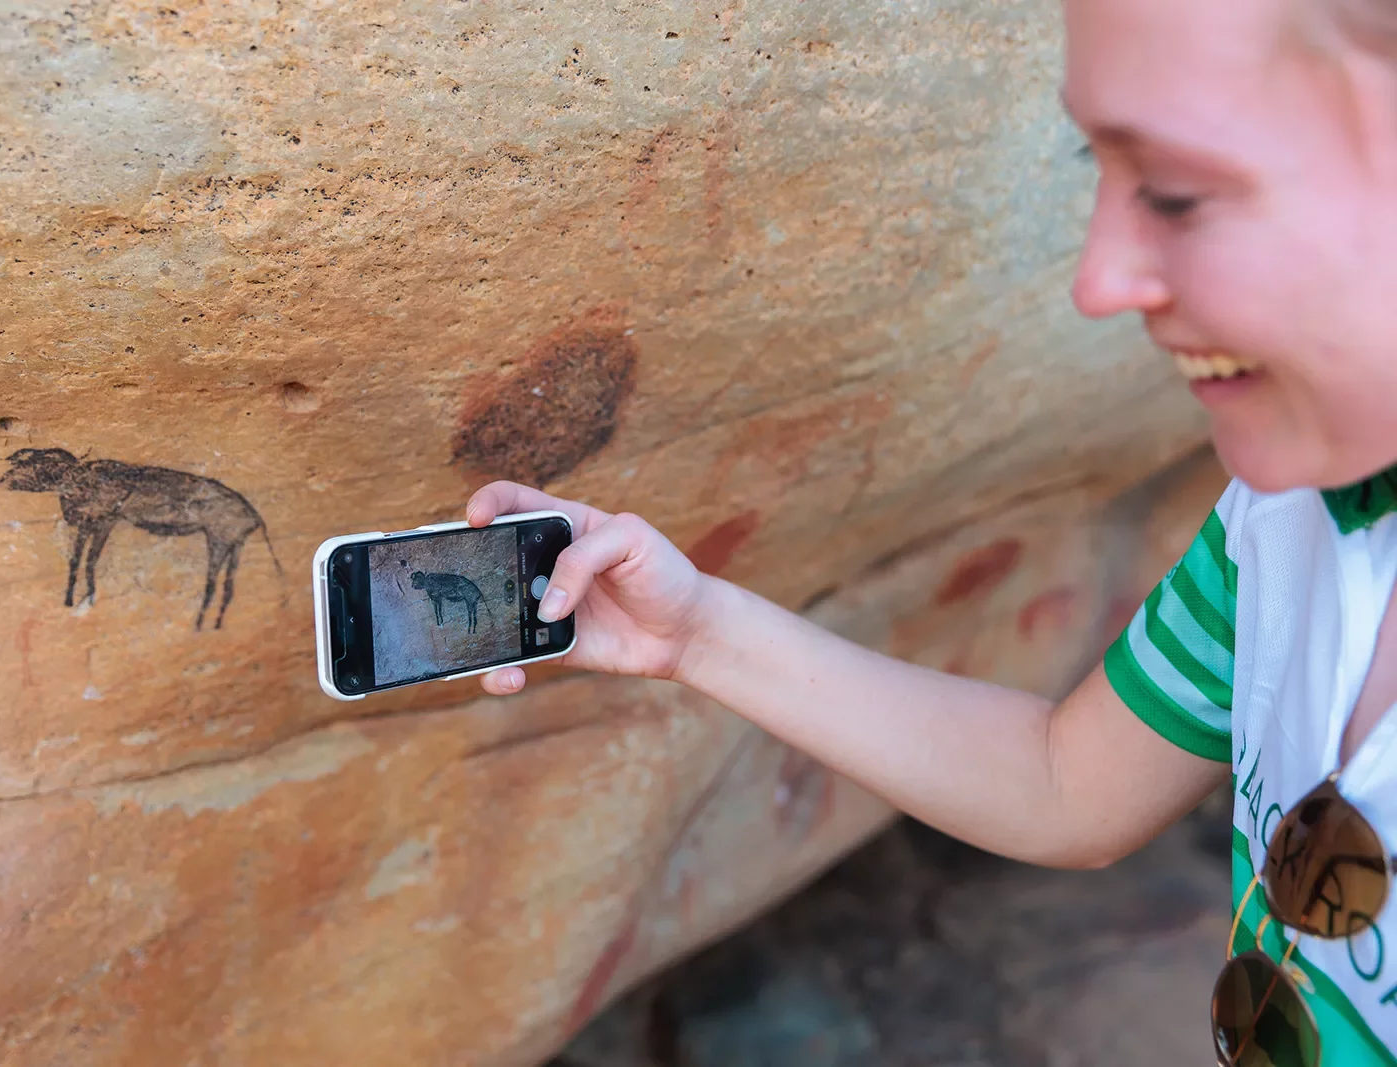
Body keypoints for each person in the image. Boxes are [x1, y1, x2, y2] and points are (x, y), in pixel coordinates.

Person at [464, 0, 1397, 1061]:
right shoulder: (1290, 516)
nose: (1098, 279)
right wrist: (697, 632)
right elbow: (1067, 782)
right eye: (1090, 165)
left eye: (1175, 194)